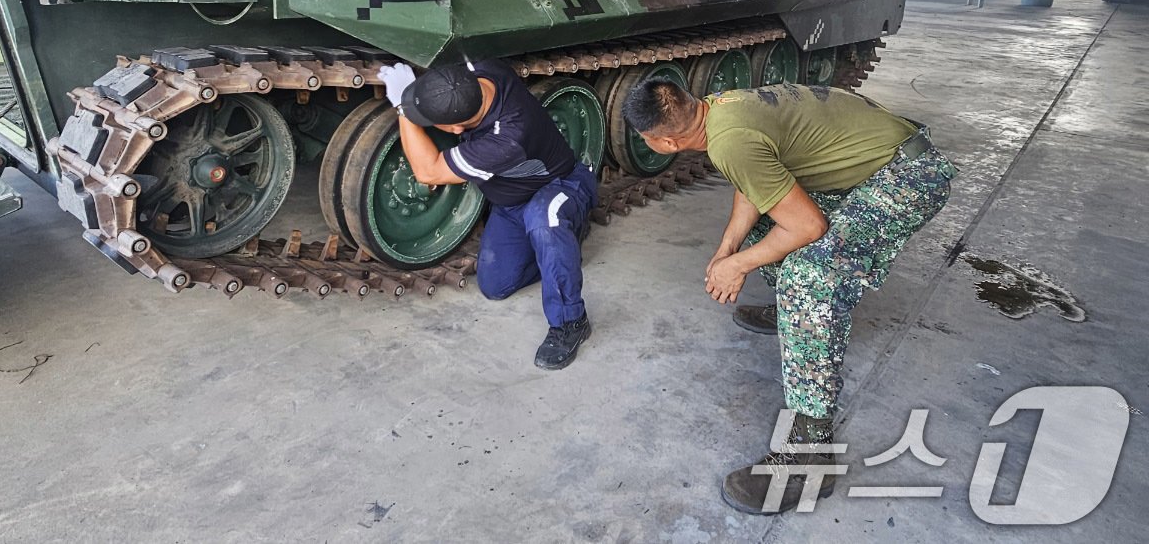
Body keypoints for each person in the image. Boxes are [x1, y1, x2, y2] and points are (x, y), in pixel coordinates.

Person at [620, 79, 957, 514]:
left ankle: (810, 457)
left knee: (809, 274)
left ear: (664, 141)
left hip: (908, 177)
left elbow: (808, 227)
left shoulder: (728, 142)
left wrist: (737, 265)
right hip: (887, 158)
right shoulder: (724, 108)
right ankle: (797, 316)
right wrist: (728, 248)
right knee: (767, 224)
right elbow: (755, 183)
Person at [377, 60, 598, 370]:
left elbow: (428, 172)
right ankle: (564, 248)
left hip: (559, 186)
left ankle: (571, 323)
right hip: (512, 203)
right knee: (496, 285)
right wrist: (425, 93)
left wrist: (404, 108)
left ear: (456, 128)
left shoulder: (507, 138)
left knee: (544, 219)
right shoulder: (482, 74)